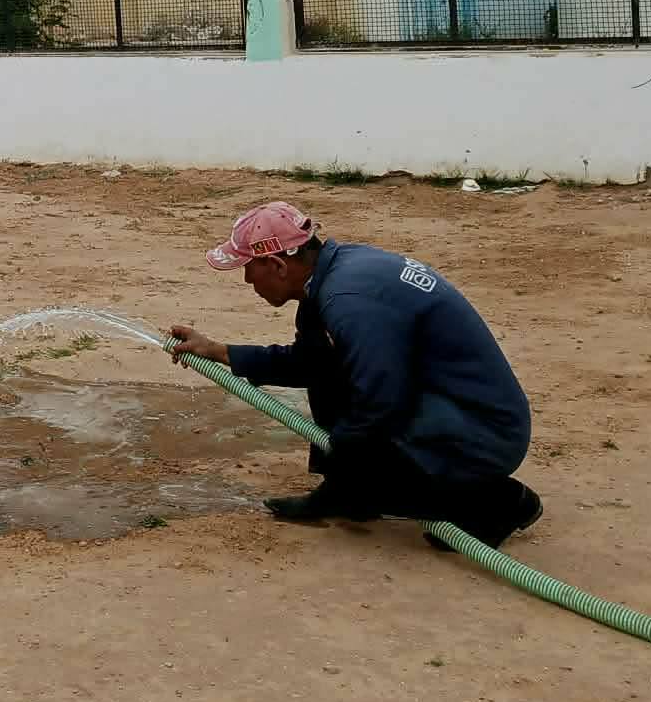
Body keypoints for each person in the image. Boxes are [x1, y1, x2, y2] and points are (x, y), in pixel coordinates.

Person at [166, 200, 543, 550]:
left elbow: (380, 400)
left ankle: (500, 501)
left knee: (364, 467)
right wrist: (220, 351)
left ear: (278, 266)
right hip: (446, 404)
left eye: (249, 268)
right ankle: (348, 491)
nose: (247, 280)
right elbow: (311, 362)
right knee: (332, 384)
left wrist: (349, 462)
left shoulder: (349, 300)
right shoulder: (333, 275)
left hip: (484, 432)